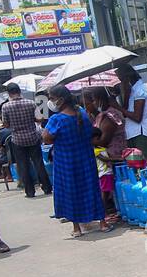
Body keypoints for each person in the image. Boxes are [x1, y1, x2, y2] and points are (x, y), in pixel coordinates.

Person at [40, 85, 106, 237]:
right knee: (91, 188)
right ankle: (103, 222)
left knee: (70, 191)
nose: (50, 102)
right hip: (85, 158)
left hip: (66, 161)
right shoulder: (81, 113)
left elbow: (46, 138)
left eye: (51, 98)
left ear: (60, 100)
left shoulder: (57, 119)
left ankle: (77, 228)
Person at [83, 87, 128, 229]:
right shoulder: (99, 115)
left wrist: (88, 140)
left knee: (106, 187)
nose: (87, 105)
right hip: (105, 156)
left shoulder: (109, 116)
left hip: (113, 155)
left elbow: (103, 140)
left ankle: (108, 213)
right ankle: (111, 211)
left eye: (89, 102)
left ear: (97, 100)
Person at [2, 83, 52, 199]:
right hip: (33, 137)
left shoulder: (6, 107)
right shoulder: (31, 103)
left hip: (17, 139)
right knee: (39, 163)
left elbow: (6, 124)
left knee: (22, 165)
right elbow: (39, 119)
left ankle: (30, 191)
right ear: (19, 91)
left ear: (9, 93)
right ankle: (47, 188)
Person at [116, 63, 147, 165]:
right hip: (131, 133)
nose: (120, 83)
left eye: (121, 80)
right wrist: (126, 95)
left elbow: (137, 117)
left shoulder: (140, 90)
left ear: (127, 77)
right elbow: (125, 113)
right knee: (135, 165)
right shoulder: (132, 91)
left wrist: (117, 107)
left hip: (141, 133)